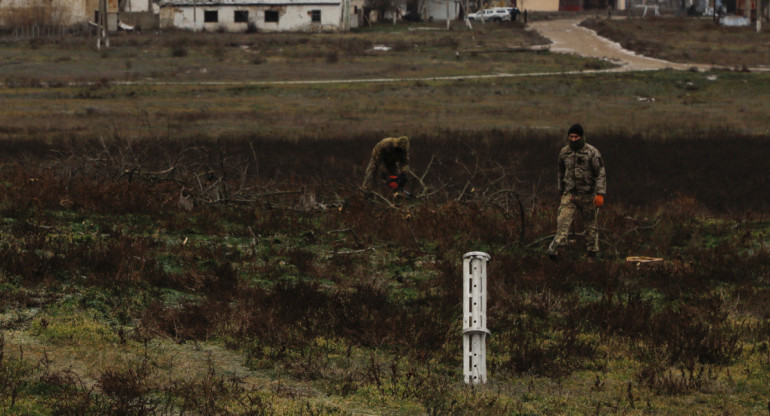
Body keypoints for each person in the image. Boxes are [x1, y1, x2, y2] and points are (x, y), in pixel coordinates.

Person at [547, 124, 606, 260]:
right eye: (571, 137)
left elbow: (600, 173)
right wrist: (561, 190)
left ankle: (592, 254)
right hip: (570, 194)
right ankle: (558, 251)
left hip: (588, 195)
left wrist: (600, 194)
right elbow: (561, 172)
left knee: (591, 226)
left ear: (582, 137)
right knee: (562, 222)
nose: (573, 139)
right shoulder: (564, 152)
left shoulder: (592, 152)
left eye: (576, 137)